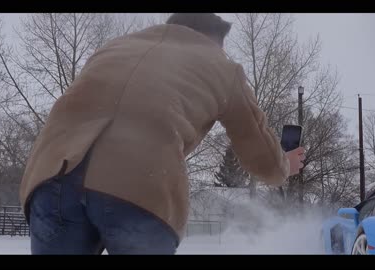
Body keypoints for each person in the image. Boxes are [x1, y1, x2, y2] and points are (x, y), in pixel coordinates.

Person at [19, 13, 306, 255]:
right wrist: (284, 165)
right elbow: (260, 153)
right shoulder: (222, 67)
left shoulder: (115, 47)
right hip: (140, 184)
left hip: (52, 176)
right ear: (211, 38)